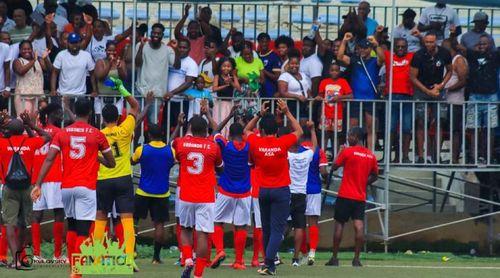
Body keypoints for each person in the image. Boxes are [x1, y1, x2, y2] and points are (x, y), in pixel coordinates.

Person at [32, 98, 115, 275]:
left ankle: (72, 269)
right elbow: (111, 163)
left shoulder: (62, 134)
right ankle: (77, 272)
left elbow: (49, 158)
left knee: (72, 227)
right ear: (91, 113)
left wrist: (38, 183)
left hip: (67, 187)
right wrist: (96, 156)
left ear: (75, 112)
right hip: (86, 187)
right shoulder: (97, 134)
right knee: (83, 231)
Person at [244, 99, 303, 275]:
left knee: (267, 229)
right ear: (277, 131)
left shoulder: (256, 142)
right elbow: (299, 131)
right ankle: (268, 263)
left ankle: (269, 265)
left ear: (261, 131)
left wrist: (258, 115)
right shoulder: (282, 142)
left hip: (263, 191)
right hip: (281, 190)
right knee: (277, 230)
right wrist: (286, 112)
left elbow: (246, 130)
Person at [93, 80, 139, 270]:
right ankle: (129, 259)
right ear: (118, 117)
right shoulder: (125, 128)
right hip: (123, 179)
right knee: (126, 219)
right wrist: (121, 87)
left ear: (103, 118)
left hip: (104, 179)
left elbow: (96, 158)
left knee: (100, 218)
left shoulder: (98, 134)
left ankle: (96, 258)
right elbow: (135, 106)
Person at [173, 113, 223, 278]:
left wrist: (183, 127)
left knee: (186, 229)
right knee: (202, 233)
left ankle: (187, 259)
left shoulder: (181, 143)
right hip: (206, 196)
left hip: (186, 194)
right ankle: (198, 274)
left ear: (191, 129)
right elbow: (221, 168)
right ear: (206, 130)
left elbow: (174, 151)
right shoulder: (213, 147)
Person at [0, 114, 50, 269]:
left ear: (8, 130)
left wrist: (1, 124)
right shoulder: (30, 142)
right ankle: (19, 257)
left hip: (9, 188)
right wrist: (31, 125)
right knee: (23, 224)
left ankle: (15, 260)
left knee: (9, 223)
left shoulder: (2, 143)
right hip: (27, 188)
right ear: (23, 129)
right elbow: (47, 136)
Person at [325, 127, 378, 267]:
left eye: (349, 136)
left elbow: (334, 166)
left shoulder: (348, 151)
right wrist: (364, 183)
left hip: (345, 195)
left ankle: (335, 258)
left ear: (355, 137)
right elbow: (375, 175)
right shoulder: (370, 155)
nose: (347, 139)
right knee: (359, 225)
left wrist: (340, 151)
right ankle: (356, 259)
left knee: (339, 225)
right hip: (360, 196)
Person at [210, 106, 252, 270]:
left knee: (217, 222)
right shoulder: (249, 146)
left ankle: (220, 250)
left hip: (226, 190)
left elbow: (215, 132)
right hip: (244, 192)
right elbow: (249, 136)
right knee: (241, 226)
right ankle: (239, 261)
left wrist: (228, 116)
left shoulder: (225, 144)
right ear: (242, 134)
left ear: (229, 134)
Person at [132, 120, 178, 264]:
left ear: (149, 135)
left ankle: (132, 252)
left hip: (143, 191)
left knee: (134, 222)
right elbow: (172, 159)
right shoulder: (170, 151)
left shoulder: (142, 149)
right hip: (162, 193)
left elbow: (132, 161)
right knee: (159, 225)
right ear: (162, 134)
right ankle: (156, 258)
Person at [337, 32, 385, 151]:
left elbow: (383, 58)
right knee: (353, 128)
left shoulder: (375, 61)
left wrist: (376, 44)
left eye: (365, 48)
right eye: (360, 48)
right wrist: (344, 41)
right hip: (355, 99)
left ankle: (370, 154)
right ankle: (351, 152)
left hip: (371, 99)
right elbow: (340, 57)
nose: (363, 50)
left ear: (370, 49)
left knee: (371, 128)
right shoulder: (354, 60)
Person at [410, 32, 452, 163]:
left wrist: (441, 85)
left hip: (438, 90)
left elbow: (450, 70)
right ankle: (421, 156)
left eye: (431, 42)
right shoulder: (418, 55)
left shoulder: (444, 53)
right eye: (427, 42)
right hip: (422, 90)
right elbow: (412, 77)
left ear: (436, 41)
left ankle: (436, 155)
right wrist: (427, 91)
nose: (429, 44)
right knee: (421, 122)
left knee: (440, 122)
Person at [30, 103, 65, 262]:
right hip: (55, 177)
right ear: (53, 114)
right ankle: (57, 255)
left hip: (38, 179)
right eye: (60, 113)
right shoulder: (59, 132)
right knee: (59, 214)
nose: (61, 116)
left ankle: (36, 254)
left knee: (37, 215)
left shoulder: (36, 132)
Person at [283, 121, 317, 267]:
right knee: (299, 226)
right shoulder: (307, 155)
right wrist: (313, 130)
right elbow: (314, 146)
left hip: (287, 192)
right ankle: (296, 259)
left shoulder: (287, 155)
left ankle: (274, 253)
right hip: (301, 194)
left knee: (282, 224)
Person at [463, 35, 499, 164]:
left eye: (484, 44)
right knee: (473, 128)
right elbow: (458, 47)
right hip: (474, 95)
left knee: (489, 128)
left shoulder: (495, 56)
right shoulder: (472, 55)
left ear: (490, 44)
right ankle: (473, 156)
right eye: (480, 44)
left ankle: (487, 156)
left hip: (490, 96)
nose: (481, 46)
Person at [135, 23, 179, 124]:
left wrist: (176, 49)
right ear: (150, 33)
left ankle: (151, 140)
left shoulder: (168, 50)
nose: (156, 35)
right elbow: (137, 63)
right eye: (154, 32)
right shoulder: (141, 45)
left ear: (162, 35)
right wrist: (141, 46)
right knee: (137, 122)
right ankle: (136, 141)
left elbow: (177, 65)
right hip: (140, 91)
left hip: (157, 94)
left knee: (153, 123)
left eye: (158, 33)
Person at [384, 38, 414, 163]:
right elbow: (377, 46)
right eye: (398, 46)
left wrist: (418, 35)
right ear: (394, 47)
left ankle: (405, 156)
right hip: (391, 96)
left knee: (406, 128)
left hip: (407, 96)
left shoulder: (412, 56)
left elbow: (427, 46)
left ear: (407, 47)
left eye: (403, 47)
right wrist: (378, 33)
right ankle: (388, 156)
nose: (400, 49)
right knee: (390, 128)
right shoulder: (388, 56)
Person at [301, 127, 328, 266]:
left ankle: (303, 254)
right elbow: (323, 171)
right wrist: (325, 178)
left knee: (299, 223)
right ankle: (312, 253)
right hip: (314, 189)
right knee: (313, 222)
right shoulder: (318, 150)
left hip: (298, 190)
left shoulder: (296, 149)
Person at [441, 38, 467, 164]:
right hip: (444, 101)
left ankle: (455, 158)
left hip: (456, 101)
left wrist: (447, 89)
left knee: (455, 130)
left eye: (445, 46)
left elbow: (463, 80)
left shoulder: (459, 59)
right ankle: (436, 157)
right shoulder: (445, 60)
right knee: (439, 128)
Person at [317, 63, 353, 151]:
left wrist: (340, 97)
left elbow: (351, 96)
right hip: (325, 114)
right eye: (332, 70)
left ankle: (335, 158)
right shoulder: (324, 82)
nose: (334, 72)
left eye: (336, 70)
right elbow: (320, 95)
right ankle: (323, 157)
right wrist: (318, 98)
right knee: (324, 136)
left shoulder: (343, 82)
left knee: (335, 136)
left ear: (339, 71)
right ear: (329, 71)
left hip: (338, 114)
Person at [164, 38, 199, 129]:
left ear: (189, 49)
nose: (182, 49)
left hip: (182, 102)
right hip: (168, 101)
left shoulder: (191, 63)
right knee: (165, 128)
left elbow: (188, 83)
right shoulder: (172, 60)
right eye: (180, 47)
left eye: (184, 47)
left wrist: (172, 93)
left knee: (180, 129)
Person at [51, 32, 97, 97]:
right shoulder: (61, 55)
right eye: (72, 43)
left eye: (76, 42)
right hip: (63, 94)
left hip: (80, 94)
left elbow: (92, 73)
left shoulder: (86, 55)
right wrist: (53, 90)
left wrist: (94, 90)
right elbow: (54, 73)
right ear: (68, 43)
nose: (74, 45)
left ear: (79, 43)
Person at [13, 40, 52, 117]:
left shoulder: (39, 60)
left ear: (32, 49)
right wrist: (33, 60)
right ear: (20, 50)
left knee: (37, 121)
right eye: (24, 49)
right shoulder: (17, 61)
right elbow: (21, 71)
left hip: (38, 95)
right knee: (25, 120)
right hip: (23, 96)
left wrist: (46, 58)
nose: (26, 51)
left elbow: (49, 69)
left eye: (29, 49)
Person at [212, 57, 241, 138]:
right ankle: (218, 138)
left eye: (228, 66)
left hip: (229, 104)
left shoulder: (233, 76)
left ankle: (226, 139)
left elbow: (239, 89)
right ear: (220, 67)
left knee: (228, 123)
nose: (226, 68)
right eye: (224, 66)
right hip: (220, 104)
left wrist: (231, 81)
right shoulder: (217, 76)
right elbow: (214, 89)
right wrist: (225, 85)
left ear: (232, 67)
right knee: (219, 121)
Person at [278, 55, 311, 120]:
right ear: (288, 64)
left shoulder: (303, 75)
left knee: (303, 128)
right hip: (291, 105)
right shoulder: (284, 76)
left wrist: (310, 99)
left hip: (303, 105)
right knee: (291, 127)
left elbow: (307, 89)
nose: (294, 66)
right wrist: (297, 96)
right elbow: (282, 92)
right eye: (292, 64)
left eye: (296, 64)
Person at [257, 32, 281, 99]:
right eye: (262, 42)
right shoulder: (256, 56)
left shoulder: (274, 56)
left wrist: (263, 70)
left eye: (266, 42)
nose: (264, 44)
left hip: (270, 92)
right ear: (258, 42)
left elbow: (277, 77)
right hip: (257, 92)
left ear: (269, 42)